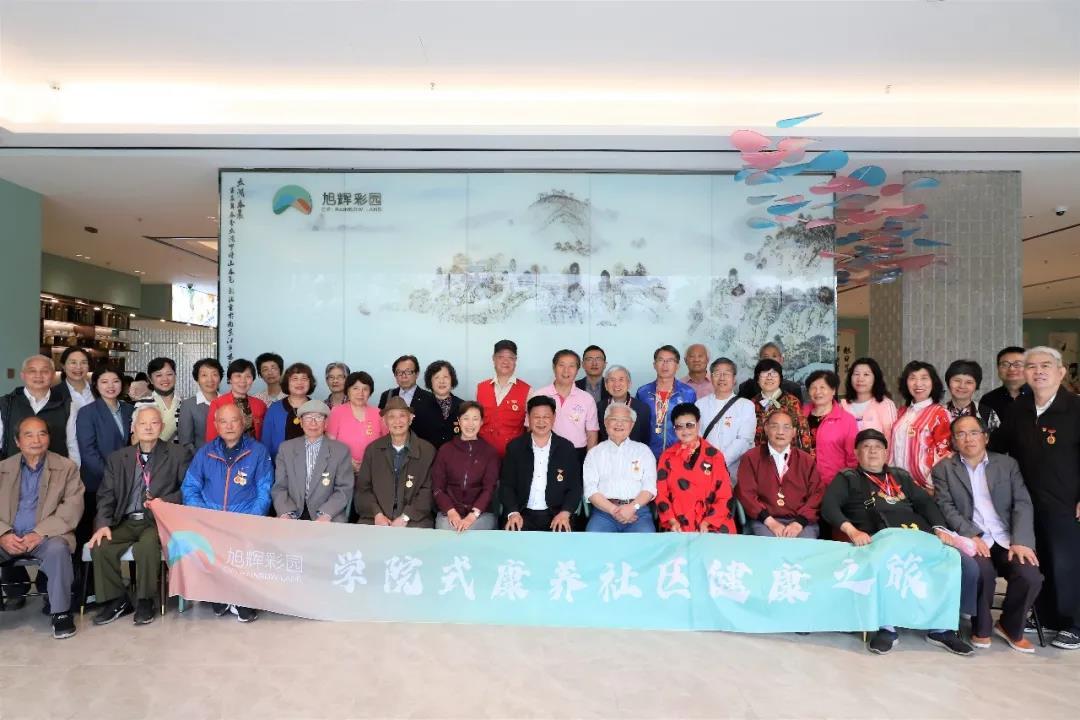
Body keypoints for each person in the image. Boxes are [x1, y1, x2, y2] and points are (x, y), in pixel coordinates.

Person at [823, 428, 979, 655]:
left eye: (878, 447)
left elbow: (926, 503)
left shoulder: (900, 476)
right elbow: (829, 507)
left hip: (917, 537)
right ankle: (886, 628)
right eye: (866, 447)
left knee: (961, 563)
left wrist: (939, 528)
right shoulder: (848, 478)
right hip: (879, 540)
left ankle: (942, 629)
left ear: (886, 452)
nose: (873, 451)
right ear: (856, 453)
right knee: (887, 563)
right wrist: (853, 531)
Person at [932, 415, 1042, 652]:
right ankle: (981, 628)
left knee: (1030, 576)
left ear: (986, 437)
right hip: (973, 538)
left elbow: (1022, 503)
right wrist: (971, 535)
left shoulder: (1007, 464)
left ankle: (1010, 626)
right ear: (954, 441)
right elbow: (946, 507)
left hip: (1007, 538)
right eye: (961, 434)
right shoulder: (944, 469)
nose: (968, 439)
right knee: (981, 572)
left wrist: (1021, 541)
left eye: (974, 433)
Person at [998, 346, 1080, 650]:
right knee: (1040, 559)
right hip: (1028, 502)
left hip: (1066, 502)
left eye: (1046, 365)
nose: (1038, 371)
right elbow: (999, 445)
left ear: (1061, 372)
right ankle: (1046, 616)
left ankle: (1074, 623)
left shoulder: (1075, 408)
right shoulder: (1019, 408)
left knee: (1068, 562)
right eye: (1031, 366)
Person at [89, 405, 189, 626]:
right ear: (134, 427)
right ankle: (118, 600)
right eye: (143, 423)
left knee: (147, 546)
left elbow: (187, 491)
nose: (148, 427)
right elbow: (106, 495)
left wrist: (165, 501)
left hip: (157, 521)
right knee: (101, 545)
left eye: (154, 422)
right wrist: (103, 523)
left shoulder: (177, 454)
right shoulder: (118, 458)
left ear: (162, 426)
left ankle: (145, 600)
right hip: (124, 520)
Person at [182, 403, 272, 622]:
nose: (229, 426)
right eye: (223, 421)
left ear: (243, 423)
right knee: (206, 543)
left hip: (245, 519)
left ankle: (242, 599)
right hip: (211, 520)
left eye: (234, 421)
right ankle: (219, 594)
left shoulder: (258, 452)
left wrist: (249, 520)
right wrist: (206, 517)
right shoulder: (205, 453)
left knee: (246, 544)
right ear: (216, 425)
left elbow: (265, 490)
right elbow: (190, 488)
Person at [0, 417, 83, 638]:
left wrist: (39, 532)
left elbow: (73, 506)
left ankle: (61, 613)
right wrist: (3, 534)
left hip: (47, 536)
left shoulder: (66, 468)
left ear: (49, 438)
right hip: (7, 536)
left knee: (58, 549)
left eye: (42, 434)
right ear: (17, 441)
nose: (36, 440)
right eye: (29, 435)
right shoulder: (3, 468)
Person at [74, 367, 133, 568]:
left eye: (115, 381)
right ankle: (87, 581)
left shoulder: (129, 410)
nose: (110, 386)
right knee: (92, 535)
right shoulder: (87, 412)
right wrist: (112, 476)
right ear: (96, 386)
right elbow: (88, 451)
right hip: (96, 482)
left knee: (119, 533)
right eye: (104, 382)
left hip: (127, 482)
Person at [499, 396, 583, 532]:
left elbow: (575, 487)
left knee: (563, 538)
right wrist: (513, 512)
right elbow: (506, 486)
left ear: (554, 417)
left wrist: (565, 513)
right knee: (512, 538)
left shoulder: (566, 448)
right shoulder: (515, 447)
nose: (541, 421)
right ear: (528, 418)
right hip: (521, 513)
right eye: (536, 417)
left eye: (546, 417)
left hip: (556, 514)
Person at [736, 408, 823, 538]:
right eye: (774, 426)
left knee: (804, 546)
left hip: (801, 521)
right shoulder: (751, 457)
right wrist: (770, 522)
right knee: (770, 546)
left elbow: (817, 494)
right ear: (766, 429)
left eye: (786, 427)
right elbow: (745, 493)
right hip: (764, 520)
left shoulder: (806, 460)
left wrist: (799, 523)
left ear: (794, 432)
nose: (780, 432)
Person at [354, 397, 436, 528]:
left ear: (410, 419)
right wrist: (377, 514)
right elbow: (363, 489)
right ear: (384, 421)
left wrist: (405, 517)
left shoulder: (427, 450)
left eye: (402, 415)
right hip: (375, 519)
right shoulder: (373, 450)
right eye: (391, 416)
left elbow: (429, 491)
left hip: (414, 519)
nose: (397, 421)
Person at [655, 403, 736, 533]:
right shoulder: (667, 457)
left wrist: (707, 522)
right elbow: (661, 494)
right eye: (679, 426)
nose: (685, 431)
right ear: (674, 429)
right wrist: (672, 521)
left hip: (713, 523)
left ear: (698, 425)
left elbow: (725, 495)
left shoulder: (715, 456)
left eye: (690, 425)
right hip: (677, 523)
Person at [271, 400, 354, 523]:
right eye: (308, 417)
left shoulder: (340, 451)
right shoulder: (286, 448)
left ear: (326, 423)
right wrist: (285, 513)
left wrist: (326, 514)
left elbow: (344, 488)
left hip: (329, 514)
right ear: (301, 422)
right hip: (292, 512)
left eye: (318, 418)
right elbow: (280, 487)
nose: (313, 423)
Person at [583, 403, 657, 533]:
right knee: (593, 539)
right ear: (606, 422)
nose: (619, 424)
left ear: (632, 425)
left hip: (638, 511)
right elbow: (590, 490)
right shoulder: (594, 453)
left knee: (645, 540)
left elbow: (649, 487)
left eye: (624, 420)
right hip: (604, 513)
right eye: (614, 419)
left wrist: (632, 507)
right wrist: (614, 510)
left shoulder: (643, 451)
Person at [431, 402, 500, 531]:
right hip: (448, 512)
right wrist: (450, 511)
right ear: (459, 421)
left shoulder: (490, 452)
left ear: (481, 422)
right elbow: (438, 487)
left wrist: (473, 515)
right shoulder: (445, 450)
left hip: (481, 513)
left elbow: (489, 489)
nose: (470, 424)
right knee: (448, 534)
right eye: (466, 418)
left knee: (471, 534)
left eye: (475, 419)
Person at [0, 354, 78, 461]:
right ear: (22, 375)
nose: (38, 375)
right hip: (14, 469)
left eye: (45, 371)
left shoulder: (67, 405)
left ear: (53, 375)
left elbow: (72, 444)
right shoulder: (6, 403)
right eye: (32, 371)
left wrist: (73, 469)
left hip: (56, 469)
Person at [890, 360, 952, 493]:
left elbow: (945, 453)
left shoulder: (940, 413)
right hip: (898, 485)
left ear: (933, 383)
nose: (918, 383)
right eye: (912, 378)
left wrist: (932, 485)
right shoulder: (901, 412)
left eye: (924, 378)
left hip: (927, 488)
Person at [530, 349, 599, 464]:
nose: (566, 370)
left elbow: (592, 434)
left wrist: (590, 462)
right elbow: (530, 428)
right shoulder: (539, 395)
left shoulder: (587, 399)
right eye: (561, 365)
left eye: (571, 366)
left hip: (577, 453)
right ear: (554, 368)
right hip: (545, 453)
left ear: (577, 370)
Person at [695, 357, 756, 482]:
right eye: (717, 373)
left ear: (734, 379)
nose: (722, 378)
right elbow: (697, 437)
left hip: (736, 471)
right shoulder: (700, 404)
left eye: (727, 374)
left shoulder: (746, 405)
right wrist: (708, 462)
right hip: (706, 468)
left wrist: (719, 462)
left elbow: (744, 440)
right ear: (711, 377)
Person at [636, 345, 698, 460]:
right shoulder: (643, 392)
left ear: (677, 366)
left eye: (670, 360)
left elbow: (694, 426)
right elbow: (636, 425)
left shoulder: (688, 393)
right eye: (661, 360)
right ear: (654, 365)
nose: (665, 364)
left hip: (678, 456)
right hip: (647, 455)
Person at [476, 339, 531, 457]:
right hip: (483, 455)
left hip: (513, 456)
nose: (505, 361)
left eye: (510, 357)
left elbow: (530, 428)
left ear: (515, 361)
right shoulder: (480, 388)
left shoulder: (528, 390)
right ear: (493, 359)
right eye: (501, 357)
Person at [802, 369, 857, 486]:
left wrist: (851, 482)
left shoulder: (846, 420)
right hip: (803, 481)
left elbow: (852, 457)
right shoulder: (800, 414)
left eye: (823, 387)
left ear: (833, 390)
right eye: (813, 388)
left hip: (835, 483)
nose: (818, 392)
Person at [327, 371, 386, 474]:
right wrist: (347, 461)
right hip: (342, 469)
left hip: (373, 470)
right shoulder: (336, 412)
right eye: (355, 388)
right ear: (348, 391)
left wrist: (369, 463)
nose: (360, 393)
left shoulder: (379, 414)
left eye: (365, 389)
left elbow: (386, 443)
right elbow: (330, 444)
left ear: (370, 392)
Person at [749, 358, 811, 451]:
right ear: (757, 379)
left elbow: (803, 433)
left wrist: (803, 457)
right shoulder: (751, 404)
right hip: (758, 457)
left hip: (787, 456)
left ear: (780, 379)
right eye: (764, 373)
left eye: (774, 373)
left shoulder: (792, 402)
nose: (769, 377)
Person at [260, 362, 316, 461]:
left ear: (310, 382)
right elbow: (266, 443)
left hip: (313, 465)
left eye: (304, 378)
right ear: (287, 382)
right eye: (295, 378)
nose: (299, 382)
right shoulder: (274, 409)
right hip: (280, 465)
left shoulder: (318, 408)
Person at [205, 358, 267, 443]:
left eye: (248, 376)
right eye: (238, 376)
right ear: (230, 379)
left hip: (255, 450)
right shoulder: (218, 403)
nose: (243, 381)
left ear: (252, 380)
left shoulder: (260, 404)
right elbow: (211, 438)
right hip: (225, 450)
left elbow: (266, 435)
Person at [411, 360, 464, 448]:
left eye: (445, 377)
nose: (441, 381)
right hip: (428, 455)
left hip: (456, 455)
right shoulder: (418, 407)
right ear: (430, 382)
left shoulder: (463, 406)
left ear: (452, 380)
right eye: (437, 377)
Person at [841, 357, 898, 437]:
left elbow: (892, 438)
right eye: (856, 374)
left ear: (875, 378)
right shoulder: (842, 406)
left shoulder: (886, 404)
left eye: (866, 374)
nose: (860, 379)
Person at [597, 365, 652, 445]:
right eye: (612, 380)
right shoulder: (599, 408)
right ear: (606, 385)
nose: (617, 384)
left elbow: (645, 439)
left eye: (621, 379)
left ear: (629, 384)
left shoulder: (643, 409)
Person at [178, 357, 222, 453]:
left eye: (214, 374)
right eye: (204, 375)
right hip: (199, 458)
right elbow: (186, 442)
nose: (210, 380)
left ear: (220, 378)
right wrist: (201, 459)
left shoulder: (228, 402)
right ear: (197, 379)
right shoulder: (188, 405)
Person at [132, 357, 181, 443]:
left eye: (169, 374)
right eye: (159, 375)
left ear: (175, 376)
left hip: (178, 451)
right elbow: (136, 439)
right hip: (149, 451)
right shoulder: (142, 404)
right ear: (150, 379)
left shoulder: (184, 404)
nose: (165, 379)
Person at [979, 346, 1029, 424]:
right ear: (998, 369)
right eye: (1005, 364)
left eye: (1017, 364)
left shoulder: (1040, 396)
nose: (1011, 369)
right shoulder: (988, 399)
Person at [943, 359, 999, 430]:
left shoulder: (988, 413)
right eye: (957, 380)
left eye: (969, 382)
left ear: (976, 386)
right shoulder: (937, 413)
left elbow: (998, 437)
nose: (962, 386)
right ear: (948, 383)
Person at [737, 342, 804, 401]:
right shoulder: (747, 387)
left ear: (781, 360)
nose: (770, 360)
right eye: (766, 357)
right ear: (760, 361)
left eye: (774, 356)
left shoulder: (794, 388)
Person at [56, 347, 94, 413]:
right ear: (63, 366)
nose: (78, 367)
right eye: (73, 362)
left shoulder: (98, 391)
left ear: (88, 366)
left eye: (83, 362)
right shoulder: (54, 394)